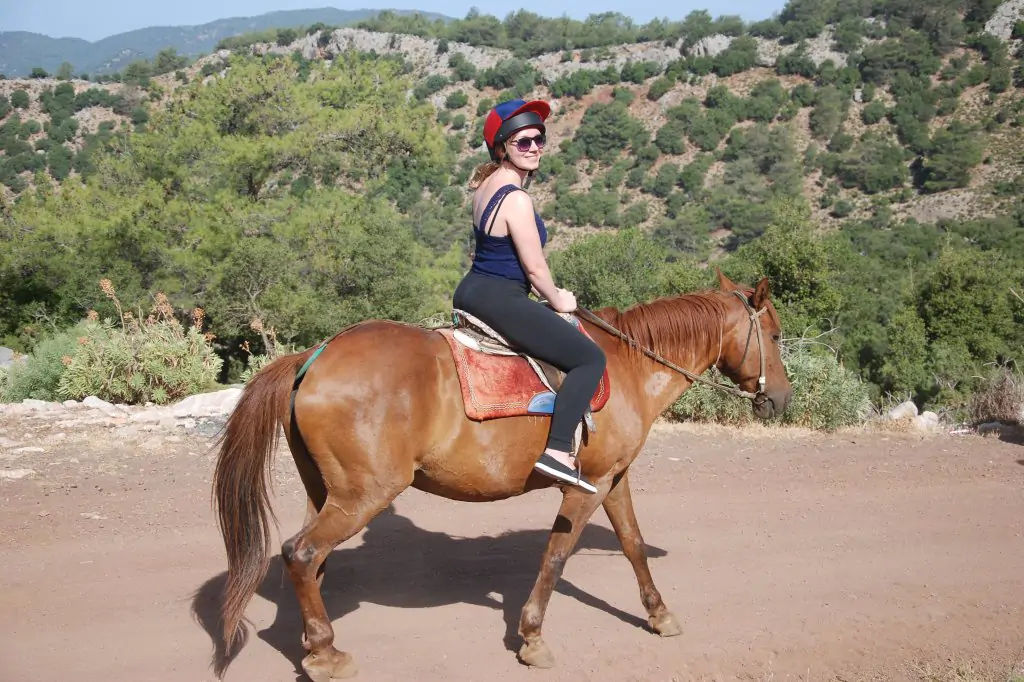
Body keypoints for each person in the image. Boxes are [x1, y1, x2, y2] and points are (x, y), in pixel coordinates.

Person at [452, 99, 606, 495]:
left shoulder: (486, 186)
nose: (535, 147)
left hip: (474, 290)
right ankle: (557, 452)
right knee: (589, 358)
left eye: (540, 139)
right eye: (523, 141)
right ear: (502, 147)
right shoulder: (517, 198)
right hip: (500, 297)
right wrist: (560, 300)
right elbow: (536, 271)